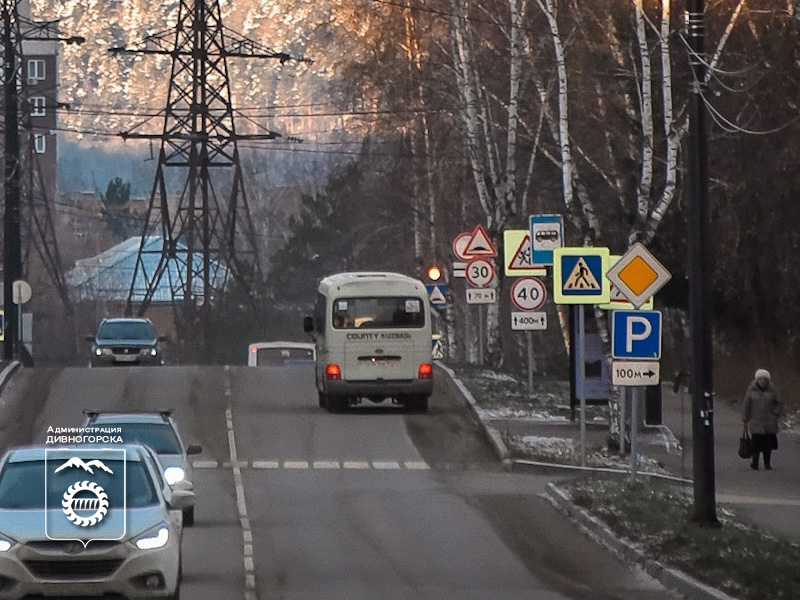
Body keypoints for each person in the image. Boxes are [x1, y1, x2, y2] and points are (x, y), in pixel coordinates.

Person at [742, 369, 782, 470]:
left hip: (770, 422)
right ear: (757, 380)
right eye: (760, 379)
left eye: (764, 379)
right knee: (755, 444)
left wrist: (775, 412)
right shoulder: (751, 390)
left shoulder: (773, 390)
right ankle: (755, 463)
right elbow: (746, 405)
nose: (762, 381)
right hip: (756, 421)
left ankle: (767, 464)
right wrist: (745, 418)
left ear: (767, 380)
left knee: (767, 445)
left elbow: (779, 402)